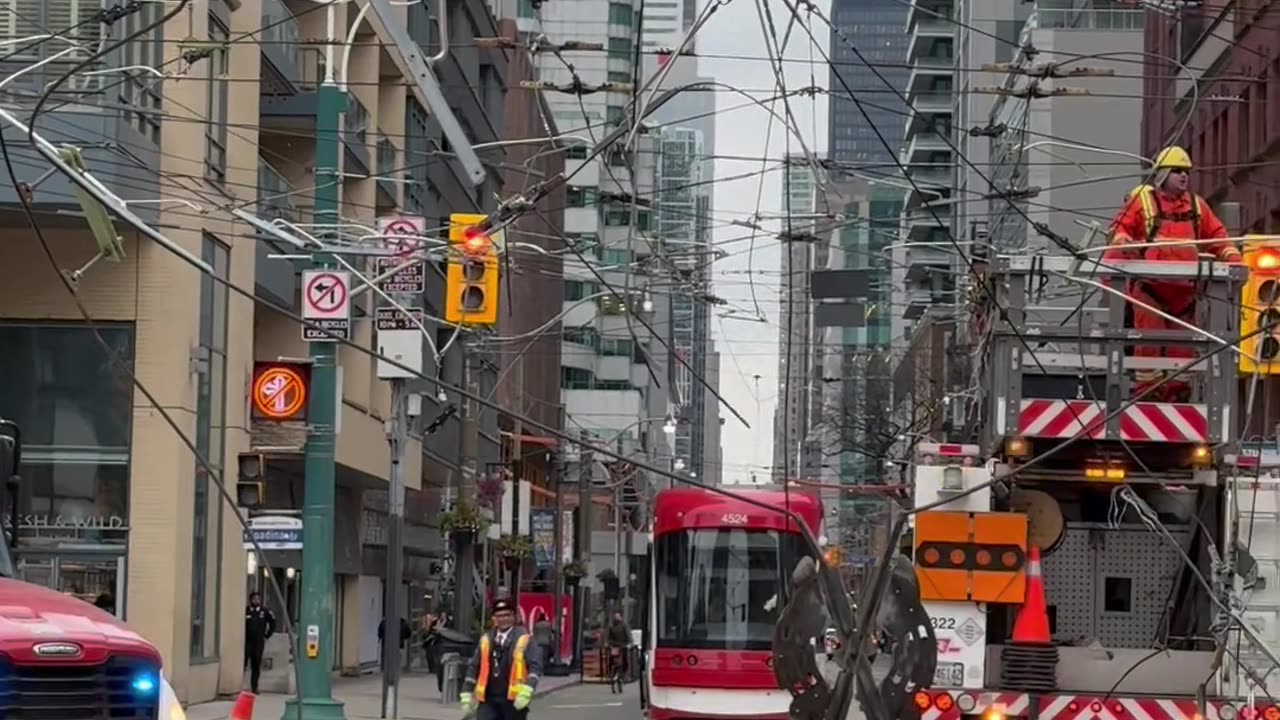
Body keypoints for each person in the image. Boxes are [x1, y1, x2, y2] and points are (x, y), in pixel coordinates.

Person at [1104, 145, 1242, 402]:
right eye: (1177, 171)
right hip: (1149, 291)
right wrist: (1123, 242)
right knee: (1149, 345)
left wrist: (1233, 259)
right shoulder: (1143, 202)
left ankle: (1177, 394)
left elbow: (1218, 238)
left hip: (1184, 294)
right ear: (1162, 174)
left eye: (1187, 171)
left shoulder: (1198, 207)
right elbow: (1120, 229)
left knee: (1182, 349)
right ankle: (1148, 394)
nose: (1184, 176)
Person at [461, 598, 542, 719]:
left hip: (513, 700)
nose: (503, 619)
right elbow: (474, 666)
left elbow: (535, 667)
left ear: (514, 617)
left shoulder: (524, 638)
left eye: (507, 615)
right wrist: (466, 693)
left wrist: (527, 691)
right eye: (499, 616)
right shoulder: (486, 639)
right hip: (488, 699)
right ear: (494, 618)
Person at [244, 592, 276, 694]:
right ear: (250, 600)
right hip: (246, 641)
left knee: (256, 665)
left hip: (258, 642)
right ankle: (239, 686)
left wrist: (267, 634)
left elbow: (273, 622)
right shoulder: (246, 611)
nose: (256, 601)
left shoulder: (264, 611)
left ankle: (254, 687)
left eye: (258, 599)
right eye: (254, 599)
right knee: (243, 663)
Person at [604, 611, 631, 694]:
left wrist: (629, 643)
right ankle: (612, 674)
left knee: (625, 660)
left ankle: (623, 675)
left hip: (622, 645)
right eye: (616, 616)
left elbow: (628, 635)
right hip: (615, 646)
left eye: (618, 616)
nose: (617, 618)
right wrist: (607, 643)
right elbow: (608, 636)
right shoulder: (611, 626)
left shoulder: (624, 625)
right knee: (612, 660)